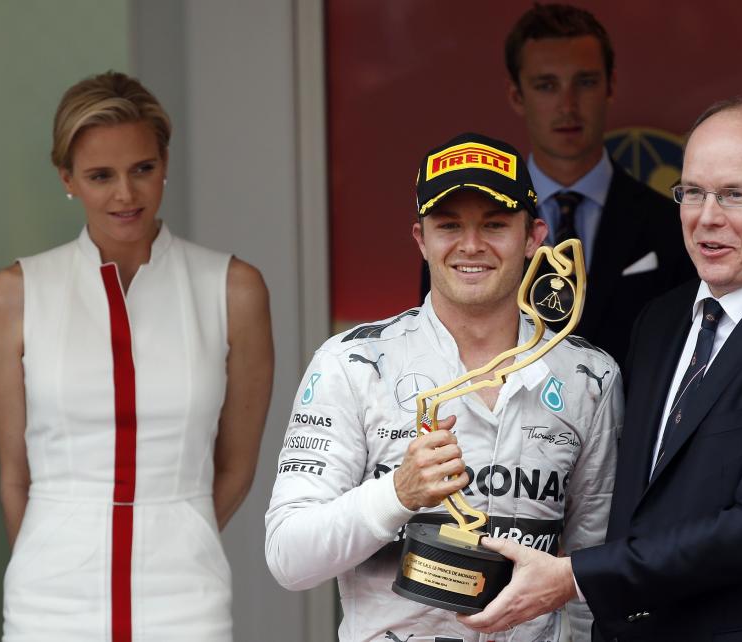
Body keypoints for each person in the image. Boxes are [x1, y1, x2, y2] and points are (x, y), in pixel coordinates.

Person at [458, 98, 742, 641]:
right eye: (693, 193)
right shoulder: (662, 320)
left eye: (735, 194)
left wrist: (574, 578)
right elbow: (635, 498)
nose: (707, 216)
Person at [266, 132, 622, 641]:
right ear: (420, 239)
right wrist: (398, 492)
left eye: (495, 225)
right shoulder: (354, 362)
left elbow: (593, 568)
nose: (471, 245)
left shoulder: (590, 377)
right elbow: (289, 558)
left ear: (534, 236)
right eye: (449, 225)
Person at [0, 71, 273, 641]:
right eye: (99, 176)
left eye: (142, 168)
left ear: (165, 163)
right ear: (66, 179)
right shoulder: (12, 295)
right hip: (48, 598)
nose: (125, 194)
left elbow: (237, 463)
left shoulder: (233, 288)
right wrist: (48, 558)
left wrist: (178, 531)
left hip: (187, 595)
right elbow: (14, 474)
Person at [504, 3, 696, 366]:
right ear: (517, 95)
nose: (567, 105)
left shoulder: (672, 225)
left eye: (586, 82)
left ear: (611, 86)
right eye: (546, 85)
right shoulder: (471, 230)